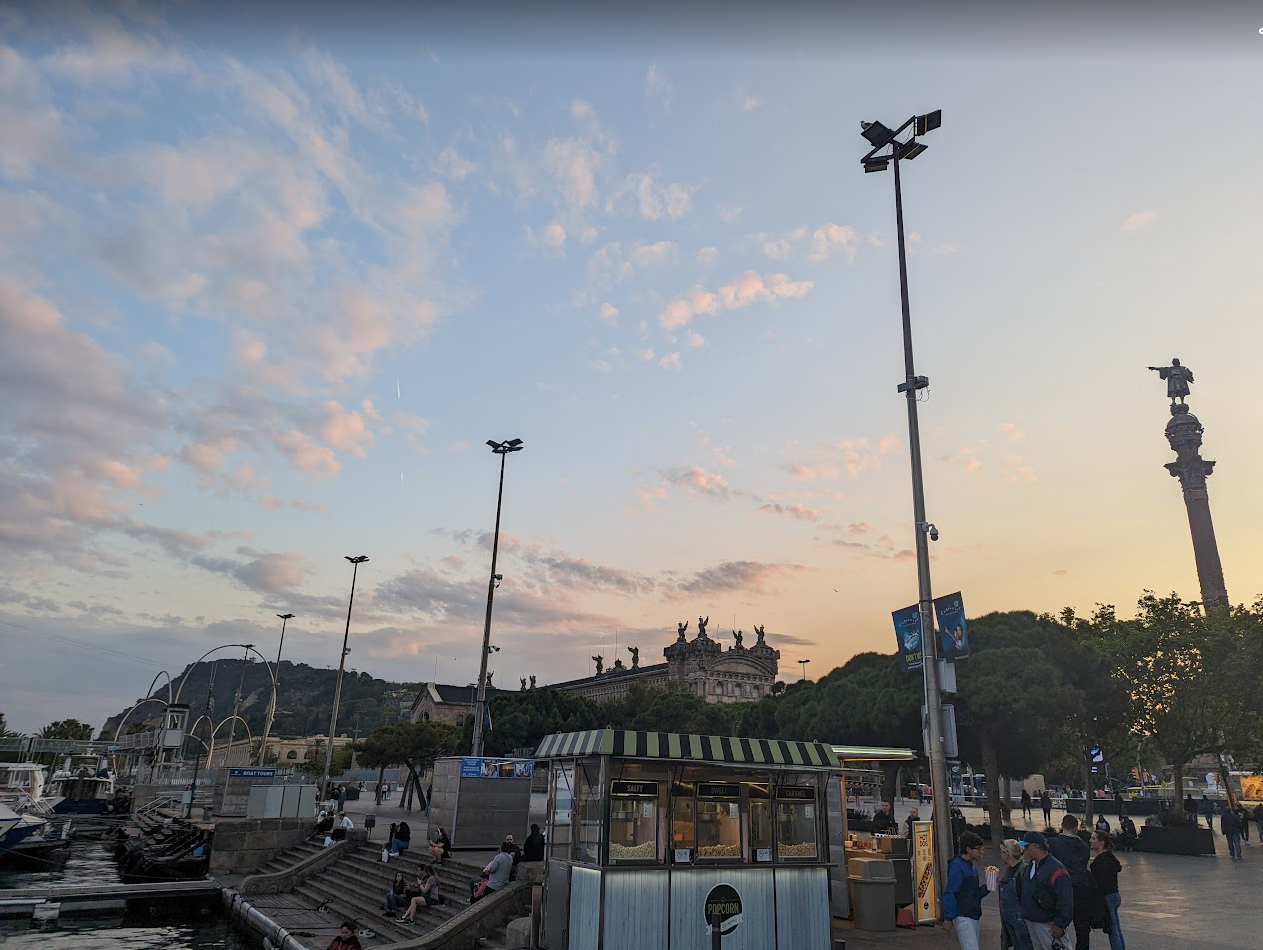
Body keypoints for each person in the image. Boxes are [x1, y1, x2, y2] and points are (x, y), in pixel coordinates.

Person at [1016, 831, 1073, 950]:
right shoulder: (1032, 865)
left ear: (1035, 846)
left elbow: (1066, 899)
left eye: (1026, 846)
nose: (1024, 850)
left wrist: (1060, 924)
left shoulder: (1057, 869)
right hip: (1033, 921)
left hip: (1049, 925)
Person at [1047, 815, 1092, 950]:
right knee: (1083, 928)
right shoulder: (1084, 847)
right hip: (1082, 887)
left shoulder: (1053, 843)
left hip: (1062, 888)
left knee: (1059, 924)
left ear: (1062, 825)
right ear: (1076, 827)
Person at [942, 831, 989, 950]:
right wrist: (948, 917)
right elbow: (950, 892)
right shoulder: (958, 866)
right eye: (978, 849)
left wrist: (989, 886)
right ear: (968, 849)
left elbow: (974, 894)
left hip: (972, 914)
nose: (981, 852)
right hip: (963, 915)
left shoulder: (969, 867)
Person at [1090, 830, 1125, 950]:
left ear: (1101, 843)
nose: (1090, 841)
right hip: (1114, 895)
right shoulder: (1110, 857)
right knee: (1115, 927)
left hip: (1107, 896)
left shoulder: (1101, 861)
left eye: (1093, 839)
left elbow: (1101, 883)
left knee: (1112, 929)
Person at [998, 838, 1035, 950]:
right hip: (1009, 919)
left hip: (1020, 920)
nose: (1001, 855)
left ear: (1007, 853)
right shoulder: (1007, 871)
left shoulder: (1024, 870)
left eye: (1002, 852)